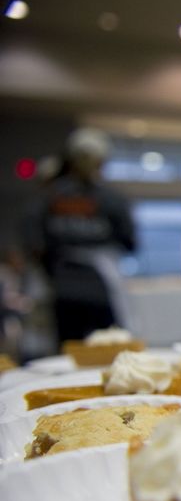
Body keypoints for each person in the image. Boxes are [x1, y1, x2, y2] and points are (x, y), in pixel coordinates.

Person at [25, 128, 135, 343]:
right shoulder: (105, 199)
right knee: (95, 342)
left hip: (79, 280)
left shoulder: (51, 197)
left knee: (99, 342)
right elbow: (128, 239)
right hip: (77, 283)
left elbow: (33, 240)